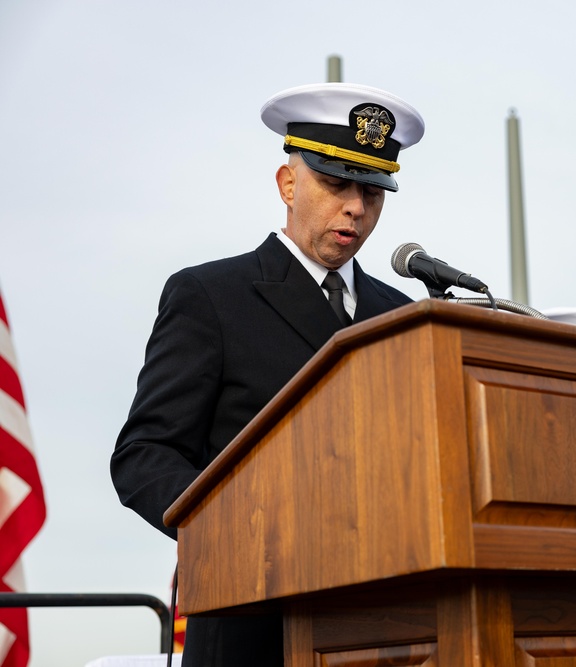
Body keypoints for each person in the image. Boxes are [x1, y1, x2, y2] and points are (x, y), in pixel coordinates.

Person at [110, 82, 425, 666]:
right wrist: (241, 536)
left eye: (374, 189)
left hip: (385, 623)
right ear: (287, 183)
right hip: (253, 623)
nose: (356, 206)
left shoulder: (404, 316)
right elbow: (144, 455)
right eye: (335, 182)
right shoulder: (210, 296)